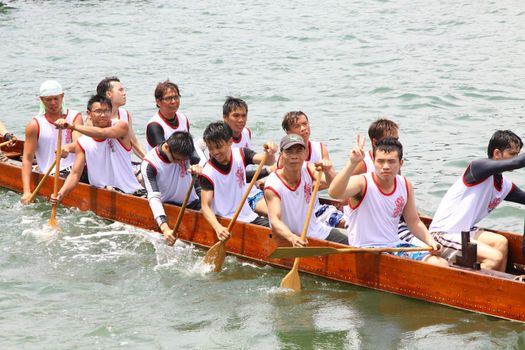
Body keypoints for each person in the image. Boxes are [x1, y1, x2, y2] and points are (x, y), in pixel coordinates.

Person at [328, 136, 447, 266]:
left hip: (394, 245)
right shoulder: (362, 183)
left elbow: (413, 221)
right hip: (365, 249)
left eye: (391, 161)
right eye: (380, 161)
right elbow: (334, 193)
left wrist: (430, 242)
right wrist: (352, 163)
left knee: (440, 263)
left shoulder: (405, 184)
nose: (385, 166)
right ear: (373, 162)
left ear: (401, 163)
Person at [429, 130, 525, 271]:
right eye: (512, 154)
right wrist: (517, 161)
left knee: (501, 243)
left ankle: (497, 288)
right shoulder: (477, 168)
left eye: (517, 154)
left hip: (465, 233)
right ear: (497, 153)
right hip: (443, 234)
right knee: (494, 257)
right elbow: (518, 163)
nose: (515, 158)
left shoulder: (504, 186)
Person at [51, 95, 143, 203]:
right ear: (89, 114)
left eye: (107, 111)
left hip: (131, 192)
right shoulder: (83, 142)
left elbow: (102, 133)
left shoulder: (121, 126)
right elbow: (75, 175)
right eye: (98, 111)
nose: (103, 115)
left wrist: (73, 126)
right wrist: (60, 194)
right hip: (103, 195)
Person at [264, 134, 348, 247]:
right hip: (288, 239)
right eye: (289, 152)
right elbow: (275, 220)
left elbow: (333, 184)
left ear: (305, 154)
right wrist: (292, 237)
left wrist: (328, 171)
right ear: (281, 156)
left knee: (352, 241)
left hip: (317, 231)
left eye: (299, 151)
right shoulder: (273, 184)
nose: (294, 156)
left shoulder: (308, 169)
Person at [200, 122, 277, 242]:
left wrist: (271, 152)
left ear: (230, 141)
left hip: (248, 215)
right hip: (224, 221)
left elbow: (268, 161)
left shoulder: (241, 154)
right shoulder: (208, 172)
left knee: (280, 229)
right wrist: (218, 227)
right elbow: (205, 206)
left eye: (218, 146)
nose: (215, 152)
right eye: (211, 148)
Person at [21, 80, 83, 204]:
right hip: (53, 173)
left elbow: (79, 144)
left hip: (78, 168)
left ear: (62, 96)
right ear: (41, 99)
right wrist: (26, 191)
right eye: (48, 99)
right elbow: (27, 159)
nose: (53, 103)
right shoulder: (34, 125)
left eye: (56, 98)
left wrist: (68, 148)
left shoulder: (75, 117)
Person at [281, 111, 343, 228]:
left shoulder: (319, 147)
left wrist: (328, 171)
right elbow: (291, 188)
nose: (304, 128)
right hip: (295, 211)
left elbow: (334, 183)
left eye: (305, 124)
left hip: (315, 206)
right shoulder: (285, 156)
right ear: (288, 132)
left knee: (347, 222)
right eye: (297, 126)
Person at [141, 131, 202, 245]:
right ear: (166, 147)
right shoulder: (150, 164)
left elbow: (204, 178)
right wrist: (165, 229)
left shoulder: (187, 152)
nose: (181, 163)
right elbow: (154, 198)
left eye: (184, 160)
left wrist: (199, 169)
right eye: (178, 160)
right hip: (168, 207)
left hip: (193, 203)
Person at [95, 76, 146, 159]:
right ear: (109, 94)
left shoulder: (125, 114)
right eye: (120, 90)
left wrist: (148, 160)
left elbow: (133, 143)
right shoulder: (95, 117)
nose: (124, 93)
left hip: (122, 164)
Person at [146, 80, 189, 152]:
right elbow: (165, 153)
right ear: (158, 102)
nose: (174, 101)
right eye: (169, 98)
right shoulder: (154, 125)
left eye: (176, 97)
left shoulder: (183, 118)